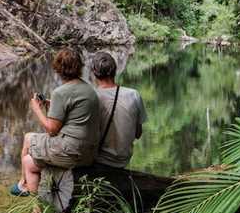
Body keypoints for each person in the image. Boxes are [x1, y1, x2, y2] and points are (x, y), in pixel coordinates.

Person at [11, 48, 100, 198]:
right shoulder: (88, 89)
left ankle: (24, 185)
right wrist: (51, 104)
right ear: (79, 66)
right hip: (89, 152)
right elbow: (75, 112)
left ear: (58, 68)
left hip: (71, 152)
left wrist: (36, 109)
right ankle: (26, 187)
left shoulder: (61, 92)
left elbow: (52, 130)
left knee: (27, 143)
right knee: (28, 154)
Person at [89, 51, 147, 168]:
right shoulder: (134, 95)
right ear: (115, 70)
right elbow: (138, 134)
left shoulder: (91, 97)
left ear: (94, 73)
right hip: (123, 160)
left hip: (99, 160)